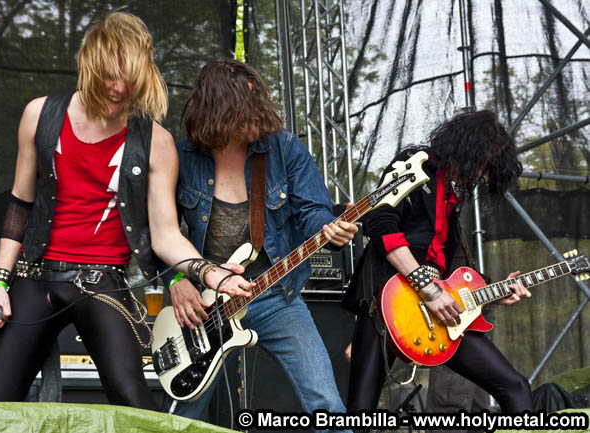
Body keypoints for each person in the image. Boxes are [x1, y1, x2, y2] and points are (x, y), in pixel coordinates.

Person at [0, 11, 250, 410]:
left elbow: (165, 235)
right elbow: (20, 204)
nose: (119, 88)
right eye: (108, 76)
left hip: (103, 283)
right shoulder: (39, 115)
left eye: (130, 78)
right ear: (89, 66)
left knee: (133, 400)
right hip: (36, 276)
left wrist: (210, 272)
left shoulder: (156, 142)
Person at [163, 58, 358, 430]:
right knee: (180, 419)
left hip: (275, 296)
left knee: (327, 406)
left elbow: (313, 211)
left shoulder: (284, 149)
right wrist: (176, 280)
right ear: (218, 106)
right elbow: (161, 232)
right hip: (204, 308)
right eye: (245, 103)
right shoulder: (180, 156)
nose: (258, 111)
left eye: (259, 101)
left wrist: (330, 230)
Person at [343, 110, 533, 428]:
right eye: (480, 163)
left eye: (486, 169)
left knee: (515, 387)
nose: (480, 174)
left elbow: (451, 271)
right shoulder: (414, 164)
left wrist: (495, 292)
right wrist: (428, 289)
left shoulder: (452, 196)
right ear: (465, 147)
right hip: (386, 303)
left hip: (434, 315)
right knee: (361, 413)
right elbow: (379, 220)